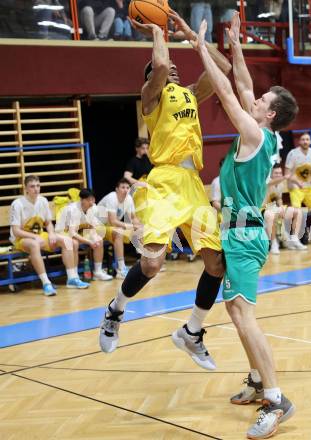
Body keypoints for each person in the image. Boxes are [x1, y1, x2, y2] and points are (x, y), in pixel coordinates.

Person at [99, 10, 231, 371]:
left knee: (216, 264)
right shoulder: (151, 97)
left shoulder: (188, 95)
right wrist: (158, 30)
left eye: (175, 68)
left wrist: (193, 37)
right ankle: (115, 310)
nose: (172, 69)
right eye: (165, 68)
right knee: (153, 262)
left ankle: (192, 332)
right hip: (164, 182)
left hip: (192, 185)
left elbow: (223, 70)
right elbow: (158, 67)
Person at [192, 13, 298, 438]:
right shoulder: (266, 134)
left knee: (243, 315)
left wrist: (201, 48)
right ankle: (258, 382)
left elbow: (229, 92)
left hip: (244, 233)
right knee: (236, 311)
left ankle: (276, 398)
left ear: (268, 115)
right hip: (239, 231)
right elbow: (244, 85)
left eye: (261, 102)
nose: (253, 99)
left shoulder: (254, 134)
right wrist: (235, 45)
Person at [10, 175, 88, 296]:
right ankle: (46, 283)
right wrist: (34, 237)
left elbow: (48, 223)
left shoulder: (43, 201)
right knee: (34, 244)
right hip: (22, 238)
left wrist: (51, 233)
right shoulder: (17, 204)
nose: (36, 189)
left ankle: (72, 278)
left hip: (40, 235)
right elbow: (16, 231)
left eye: (38, 185)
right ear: (25, 188)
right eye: (32, 186)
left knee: (69, 241)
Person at [56, 188, 113, 281]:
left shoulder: (93, 208)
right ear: (82, 200)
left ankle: (97, 272)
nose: (91, 202)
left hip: (79, 231)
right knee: (73, 243)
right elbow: (72, 233)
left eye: (92, 199)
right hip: (63, 232)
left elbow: (92, 226)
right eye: (89, 200)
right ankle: (74, 276)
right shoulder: (72, 210)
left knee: (99, 240)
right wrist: (89, 242)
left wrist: (94, 238)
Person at [98, 178, 141, 279]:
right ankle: (121, 269)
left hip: (109, 227)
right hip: (96, 227)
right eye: (122, 187)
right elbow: (112, 221)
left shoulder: (129, 199)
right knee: (119, 232)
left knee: (140, 230)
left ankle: (145, 260)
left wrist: (138, 226)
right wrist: (131, 226)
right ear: (117, 189)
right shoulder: (112, 198)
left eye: (127, 187)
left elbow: (133, 217)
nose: (125, 190)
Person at [263, 164, 306, 254]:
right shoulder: (266, 181)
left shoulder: (281, 184)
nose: (278, 175)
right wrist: (285, 177)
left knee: (297, 212)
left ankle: (294, 239)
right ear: (271, 174)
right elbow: (272, 183)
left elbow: (278, 198)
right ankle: (274, 244)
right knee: (269, 215)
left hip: (276, 208)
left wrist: (281, 206)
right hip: (263, 209)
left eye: (280, 173)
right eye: (276, 173)